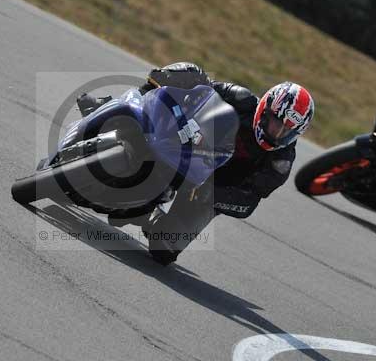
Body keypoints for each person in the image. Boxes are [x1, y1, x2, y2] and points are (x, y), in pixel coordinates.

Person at [78, 62, 315, 265]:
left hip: (207, 190)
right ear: (265, 108)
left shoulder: (280, 161)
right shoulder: (239, 99)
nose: (279, 133)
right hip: (188, 146)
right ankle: (109, 106)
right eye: (276, 123)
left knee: (163, 252)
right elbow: (201, 89)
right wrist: (182, 78)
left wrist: (212, 194)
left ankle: (151, 215)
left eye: (288, 131)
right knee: (170, 87)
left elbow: (249, 201)